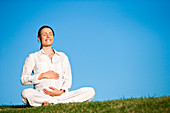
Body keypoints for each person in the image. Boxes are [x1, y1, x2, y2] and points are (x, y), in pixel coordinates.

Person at [21, 25, 95, 106]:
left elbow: (68, 79)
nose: (48, 36)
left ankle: (54, 102)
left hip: (61, 96)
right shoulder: (33, 57)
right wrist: (42, 75)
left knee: (90, 91)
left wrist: (61, 91)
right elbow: (24, 79)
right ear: (39, 38)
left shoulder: (62, 56)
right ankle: (50, 101)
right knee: (25, 93)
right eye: (44, 34)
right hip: (41, 95)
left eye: (50, 34)